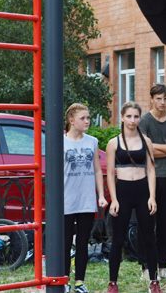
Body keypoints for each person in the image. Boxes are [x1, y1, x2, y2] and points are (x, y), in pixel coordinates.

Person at [106, 102, 162, 293]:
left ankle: (154, 281)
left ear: (140, 118)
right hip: (122, 191)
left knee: (148, 237)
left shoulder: (146, 141)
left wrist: (152, 196)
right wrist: (114, 199)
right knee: (118, 239)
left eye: (136, 116)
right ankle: (112, 283)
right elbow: (110, 174)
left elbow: (151, 170)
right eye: (128, 116)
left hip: (142, 190)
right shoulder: (114, 143)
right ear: (122, 117)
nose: (132, 120)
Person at [63, 103, 108, 293]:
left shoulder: (92, 141)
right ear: (71, 121)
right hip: (66, 199)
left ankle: (80, 282)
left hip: (86, 199)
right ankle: (64, 281)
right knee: (64, 243)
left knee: (82, 243)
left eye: (88, 117)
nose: (87, 121)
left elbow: (98, 170)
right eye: (83, 118)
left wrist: (101, 195)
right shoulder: (60, 142)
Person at [137, 83, 166, 281]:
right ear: (151, 99)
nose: (163, 102)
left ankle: (163, 266)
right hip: (147, 177)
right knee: (146, 222)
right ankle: (145, 266)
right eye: (159, 98)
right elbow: (144, 149)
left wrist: (156, 148)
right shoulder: (144, 120)